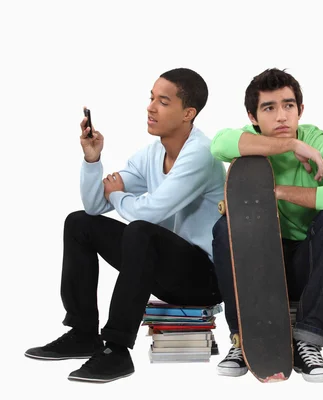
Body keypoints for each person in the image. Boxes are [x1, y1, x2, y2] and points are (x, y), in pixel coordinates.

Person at [24, 68, 225, 382]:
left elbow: (152, 212)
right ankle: (82, 332)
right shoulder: (151, 154)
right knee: (79, 223)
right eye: (151, 98)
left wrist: (118, 196)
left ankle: (117, 349)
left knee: (140, 230)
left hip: (205, 277)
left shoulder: (200, 154)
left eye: (163, 101)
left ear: (188, 113)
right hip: (163, 267)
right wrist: (93, 160)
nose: (150, 107)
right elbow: (95, 206)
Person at [210, 68, 323, 382]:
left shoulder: (318, 141)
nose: (282, 116)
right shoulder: (249, 141)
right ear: (252, 117)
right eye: (269, 108)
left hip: (306, 264)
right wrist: (290, 146)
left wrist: (278, 192)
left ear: (300, 110)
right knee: (223, 228)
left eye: (288, 106)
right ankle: (243, 341)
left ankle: (308, 341)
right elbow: (218, 144)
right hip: (260, 265)